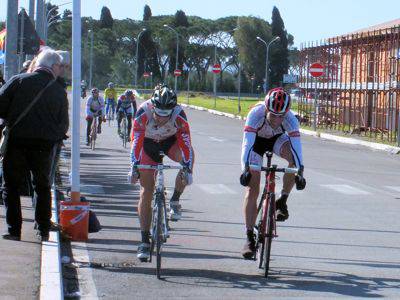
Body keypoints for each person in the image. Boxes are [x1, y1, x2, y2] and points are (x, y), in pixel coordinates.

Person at [0, 49, 69, 241]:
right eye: (60, 67)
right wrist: (52, 138)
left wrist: (10, 120)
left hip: (16, 142)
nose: (60, 70)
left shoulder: (18, 80)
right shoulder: (58, 90)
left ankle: (14, 230)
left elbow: (1, 105)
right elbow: (63, 123)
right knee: (41, 186)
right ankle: (43, 230)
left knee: (11, 186)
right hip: (43, 146)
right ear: (53, 66)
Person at [128, 84, 194, 261]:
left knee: (190, 158)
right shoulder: (143, 112)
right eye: (158, 114)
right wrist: (134, 166)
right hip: (147, 144)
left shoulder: (179, 115)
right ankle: (144, 240)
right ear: (152, 107)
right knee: (146, 192)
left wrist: (187, 167)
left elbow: (186, 143)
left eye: (166, 115)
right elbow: (136, 143)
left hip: (169, 142)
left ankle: (175, 199)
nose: (161, 119)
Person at [239, 87, 306, 259]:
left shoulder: (291, 119)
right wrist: (245, 169)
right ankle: (249, 237)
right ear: (267, 109)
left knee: (292, 159)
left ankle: (282, 200)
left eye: (281, 116)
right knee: (252, 189)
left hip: (276, 140)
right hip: (257, 143)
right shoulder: (256, 114)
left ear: (287, 113)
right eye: (273, 115)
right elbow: (247, 144)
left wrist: (300, 171)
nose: (277, 120)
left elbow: (297, 147)